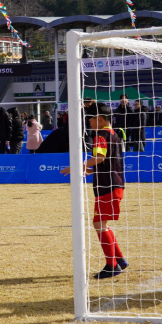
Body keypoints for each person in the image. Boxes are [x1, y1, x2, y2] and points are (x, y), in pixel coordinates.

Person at [61, 103, 128, 279]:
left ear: (98, 118)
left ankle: (112, 265)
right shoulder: (115, 134)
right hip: (115, 183)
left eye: (90, 119)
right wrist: (88, 170)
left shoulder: (101, 135)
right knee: (102, 223)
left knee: (99, 224)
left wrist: (78, 165)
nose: (89, 123)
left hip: (108, 186)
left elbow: (99, 158)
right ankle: (119, 259)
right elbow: (107, 163)